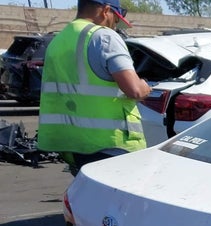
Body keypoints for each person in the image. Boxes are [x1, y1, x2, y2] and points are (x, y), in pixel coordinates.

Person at [38, 0, 152, 174]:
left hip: (71, 145)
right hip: (109, 145)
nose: (114, 27)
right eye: (115, 20)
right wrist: (145, 87)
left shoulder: (57, 41)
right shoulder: (104, 37)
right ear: (106, 10)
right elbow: (134, 90)